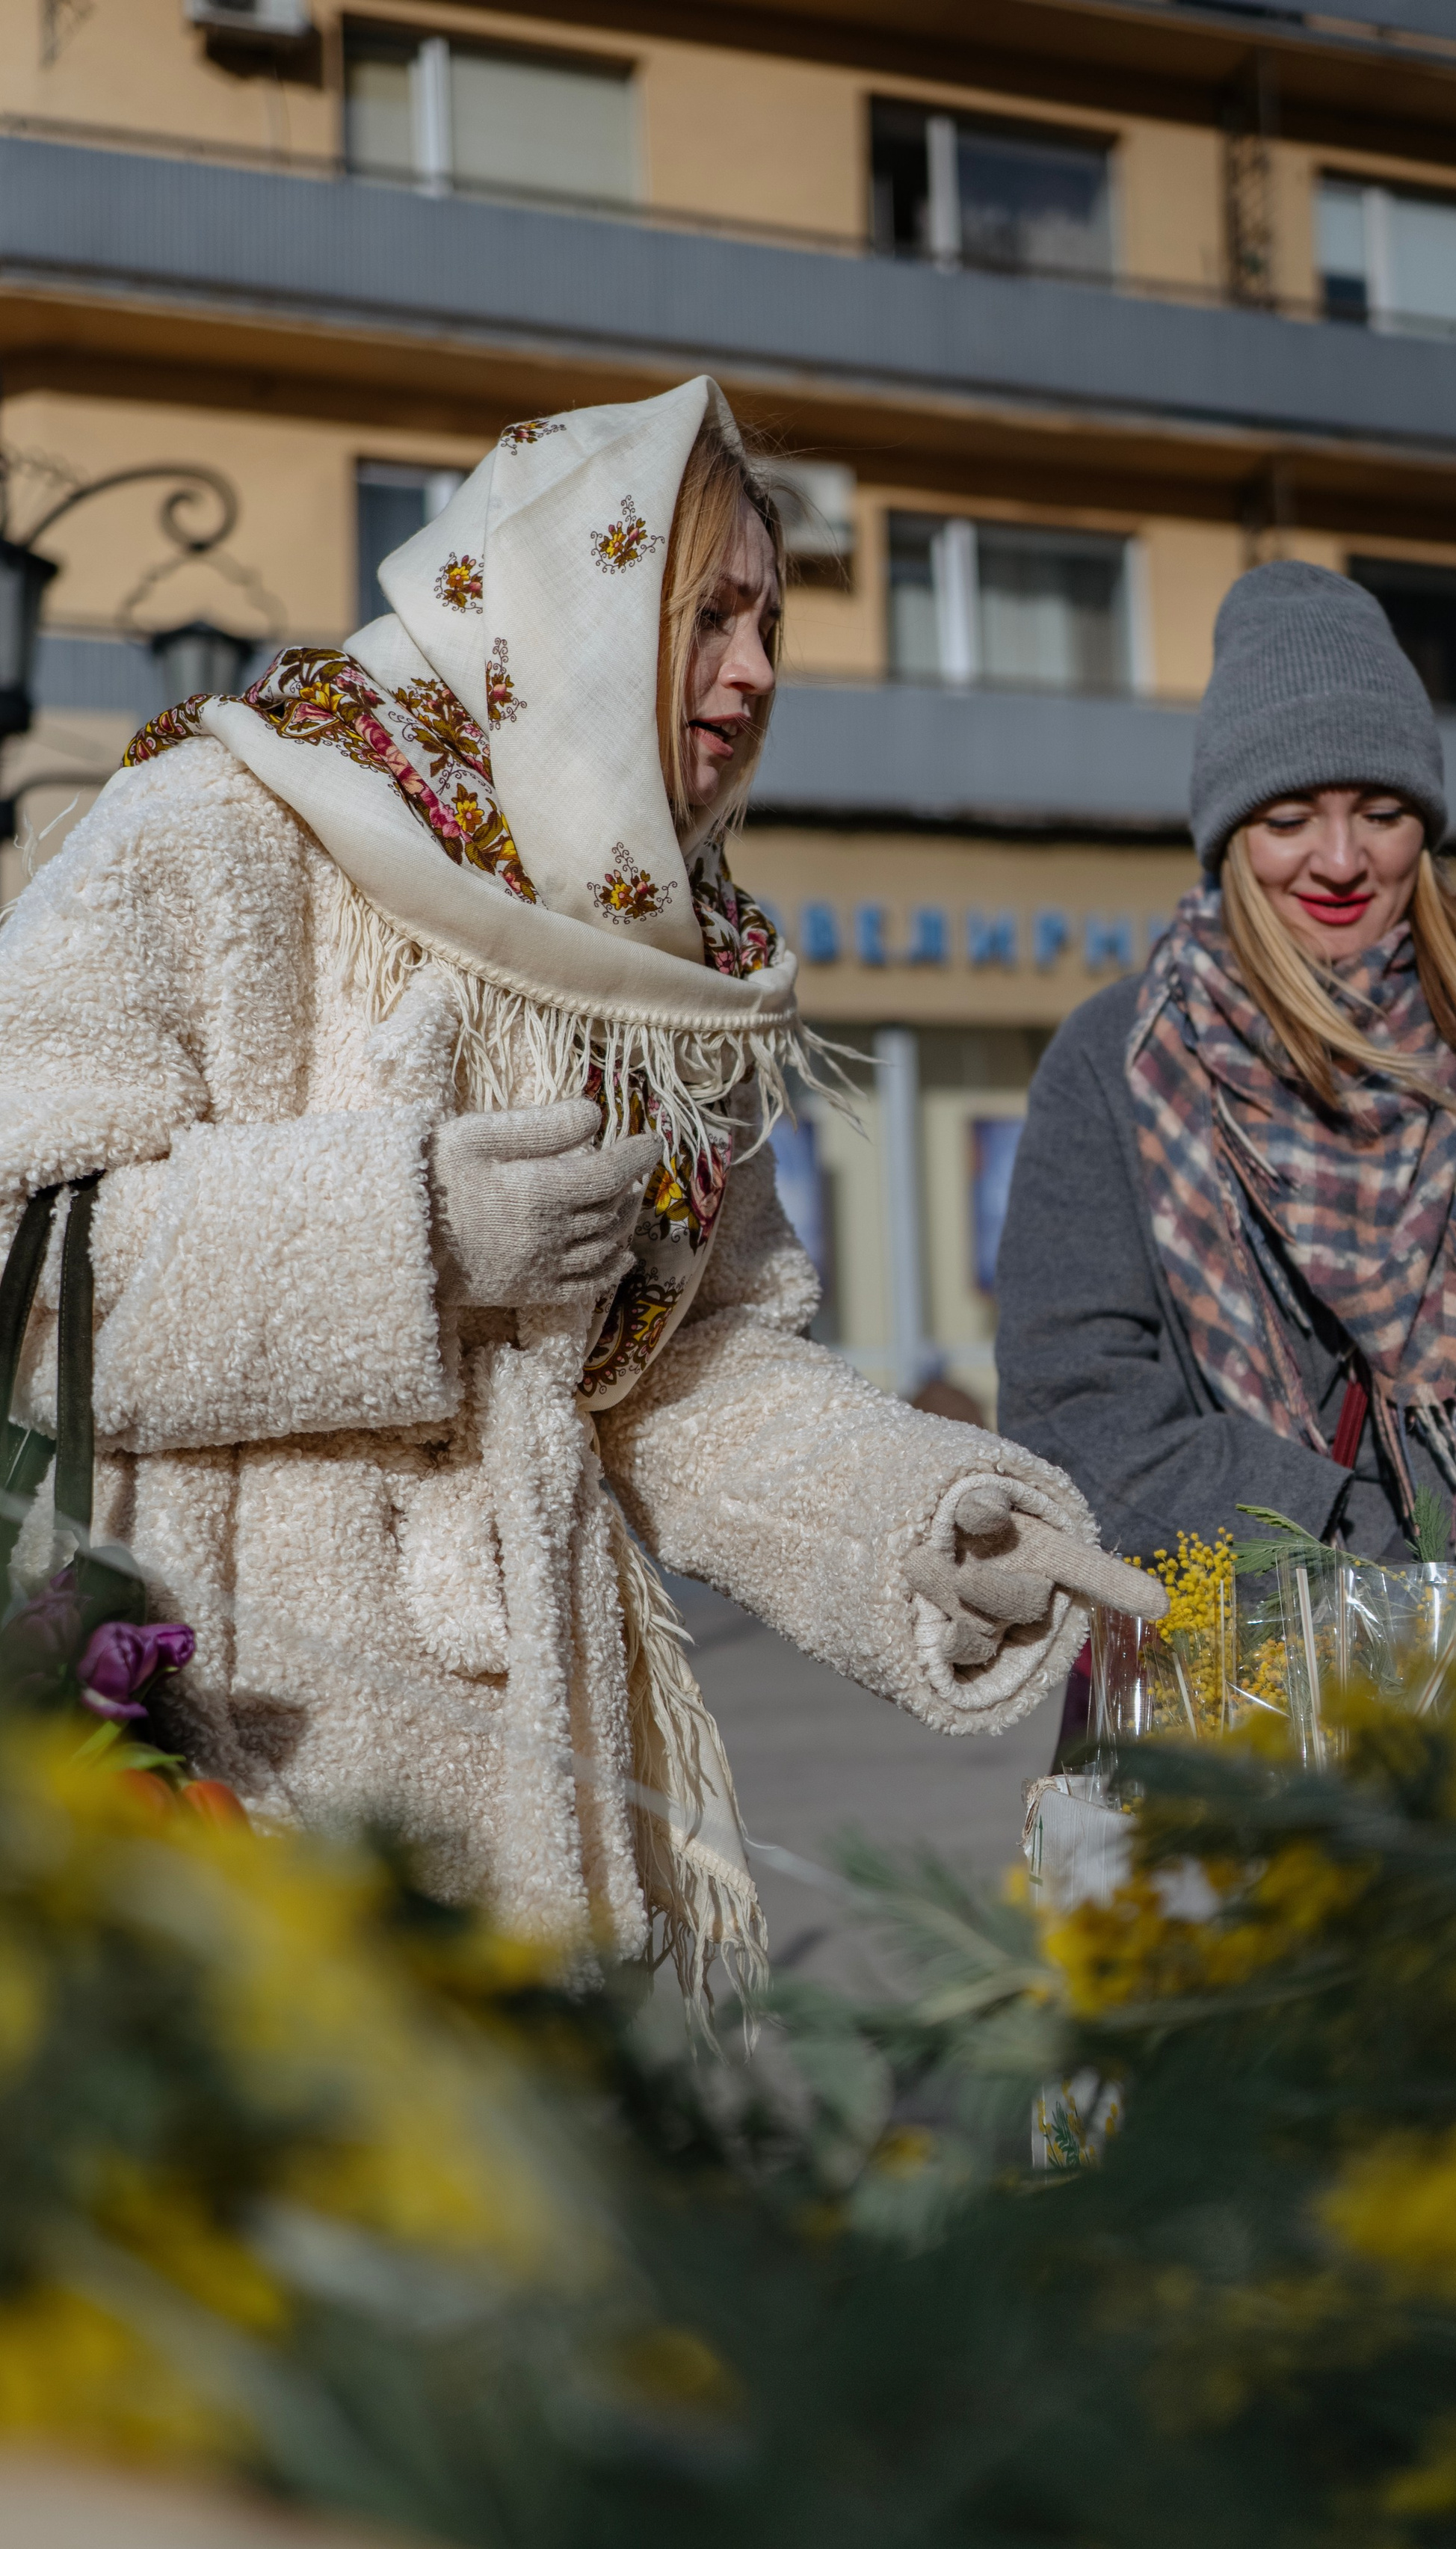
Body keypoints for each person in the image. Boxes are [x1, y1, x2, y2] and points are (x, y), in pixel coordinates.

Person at [0, 377, 1159, 1992]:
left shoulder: (666, 969)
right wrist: (410, 1236)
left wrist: (919, 1524)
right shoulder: (222, 817)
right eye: (707, 616)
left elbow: (695, 1371)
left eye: (769, 624)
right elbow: (18, 1250)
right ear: (572, 601)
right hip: (224, 1781)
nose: (753, 673)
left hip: (556, 1818)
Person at [996, 561, 1456, 1568]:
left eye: (1381, 811)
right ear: (1231, 837)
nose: (1338, 859)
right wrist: (1347, 1544)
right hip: (1241, 1674)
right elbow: (1069, 1408)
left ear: (1428, 824)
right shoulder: (1115, 1064)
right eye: (1288, 819)